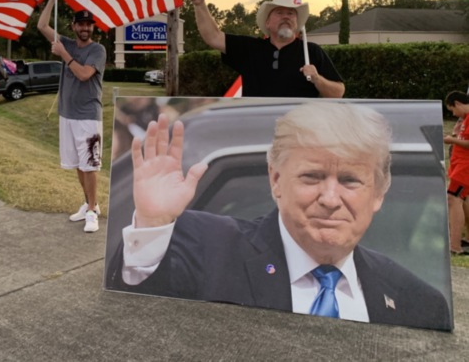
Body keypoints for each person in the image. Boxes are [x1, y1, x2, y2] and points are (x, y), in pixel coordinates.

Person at [109, 102, 451, 330]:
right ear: (276, 179)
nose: (330, 199)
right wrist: (153, 225)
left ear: (378, 193)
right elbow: (129, 320)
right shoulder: (203, 244)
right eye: (312, 177)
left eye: (350, 180)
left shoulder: (421, 303)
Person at [189, 0, 344, 98]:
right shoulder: (250, 48)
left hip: (297, 132)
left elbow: (338, 92)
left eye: (291, 13)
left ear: (297, 23)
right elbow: (213, 37)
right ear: (267, 23)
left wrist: (317, 79)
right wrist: (200, 5)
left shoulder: (312, 52)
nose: (285, 16)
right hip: (256, 129)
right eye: (279, 12)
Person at [37, 0, 107, 233]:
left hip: (88, 116)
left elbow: (85, 74)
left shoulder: (97, 50)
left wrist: (64, 55)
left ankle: (92, 213)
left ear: (92, 27)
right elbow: (42, 26)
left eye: (89, 24)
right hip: (67, 114)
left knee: (90, 164)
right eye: (81, 24)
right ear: (74, 27)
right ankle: (91, 204)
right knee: (78, 164)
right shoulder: (67, 42)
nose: (85, 28)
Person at [444, 91, 469, 256]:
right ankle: (465, 239)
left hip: (465, 167)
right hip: (460, 165)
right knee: (464, 200)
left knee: (453, 198)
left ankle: (455, 245)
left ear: (458, 103)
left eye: (452, 110)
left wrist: (452, 140)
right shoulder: (465, 119)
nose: (453, 114)